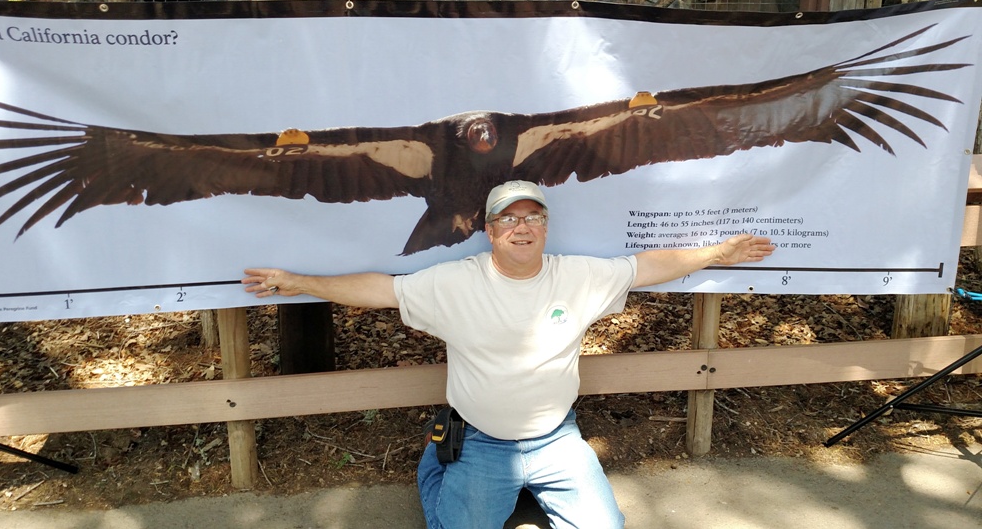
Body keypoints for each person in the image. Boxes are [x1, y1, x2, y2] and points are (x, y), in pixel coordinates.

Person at [242, 180, 775, 529]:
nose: (523, 227)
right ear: (490, 231)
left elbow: (648, 267)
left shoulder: (579, 275)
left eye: (533, 218)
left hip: (558, 441)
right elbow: (382, 289)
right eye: (509, 219)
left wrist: (720, 252)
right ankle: (439, 463)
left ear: (545, 227)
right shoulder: (454, 283)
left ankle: (510, 487)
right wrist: (299, 282)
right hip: (483, 443)